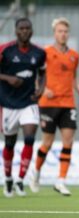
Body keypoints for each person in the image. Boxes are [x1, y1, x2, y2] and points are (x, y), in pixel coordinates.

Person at [29, 17, 79, 196]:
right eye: (60, 31)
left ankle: (61, 180)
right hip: (48, 104)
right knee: (47, 142)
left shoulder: (74, 56)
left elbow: (73, 76)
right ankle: (36, 173)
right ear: (54, 33)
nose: (63, 34)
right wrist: (42, 89)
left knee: (68, 142)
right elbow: (34, 75)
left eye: (65, 31)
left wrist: (78, 88)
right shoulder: (44, 52)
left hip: (68, 103)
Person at [0, 18, 46, 197]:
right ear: (16, 31)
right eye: (21, 28)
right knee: (10, 143)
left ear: (32, 31)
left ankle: (20, 179)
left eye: (28, 28)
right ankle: (9, 178)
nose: (25, 31)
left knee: (29, 138)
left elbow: (43, 74)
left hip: (29, 102)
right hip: (8, 104)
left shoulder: (39, 53)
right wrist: (8, 78)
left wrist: (40, 90)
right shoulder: (5, 50)